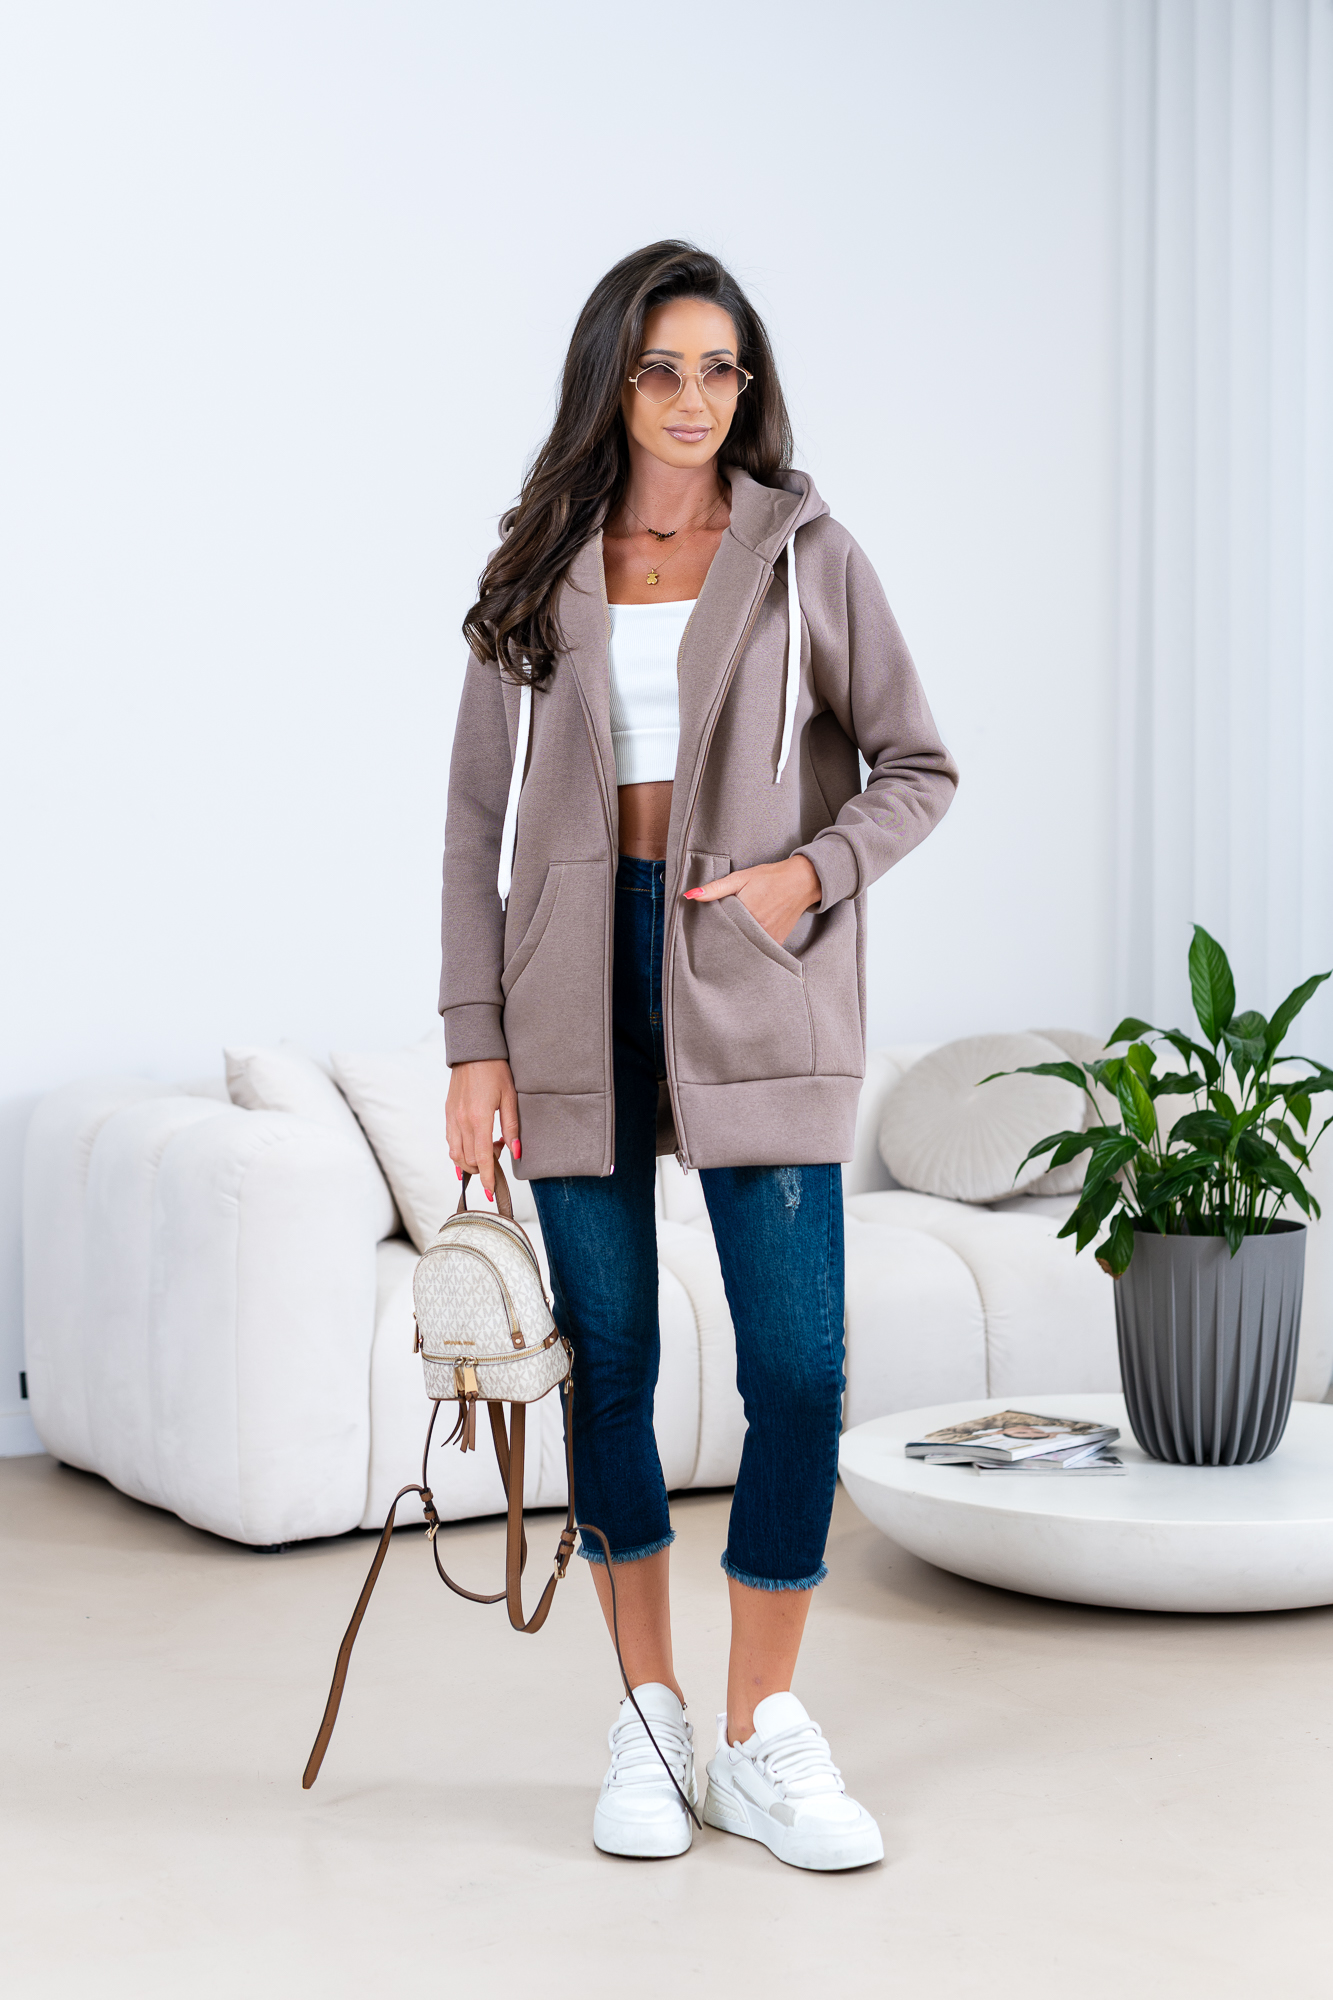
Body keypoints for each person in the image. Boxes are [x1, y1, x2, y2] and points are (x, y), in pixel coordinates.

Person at [442, 241, 957, 1870]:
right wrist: (471, 1043)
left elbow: (917, 764)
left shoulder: (807, 553)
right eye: (659, 368)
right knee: (612, 1364)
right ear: (612, 380)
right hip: (565, 985)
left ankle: (759, 1731)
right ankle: (649, 1714)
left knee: (797, 1369)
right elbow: (472, 825)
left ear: (749, 385)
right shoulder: (540, 566)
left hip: (754, 967)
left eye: (718, 368)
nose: (690, 398)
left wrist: (809, 874)